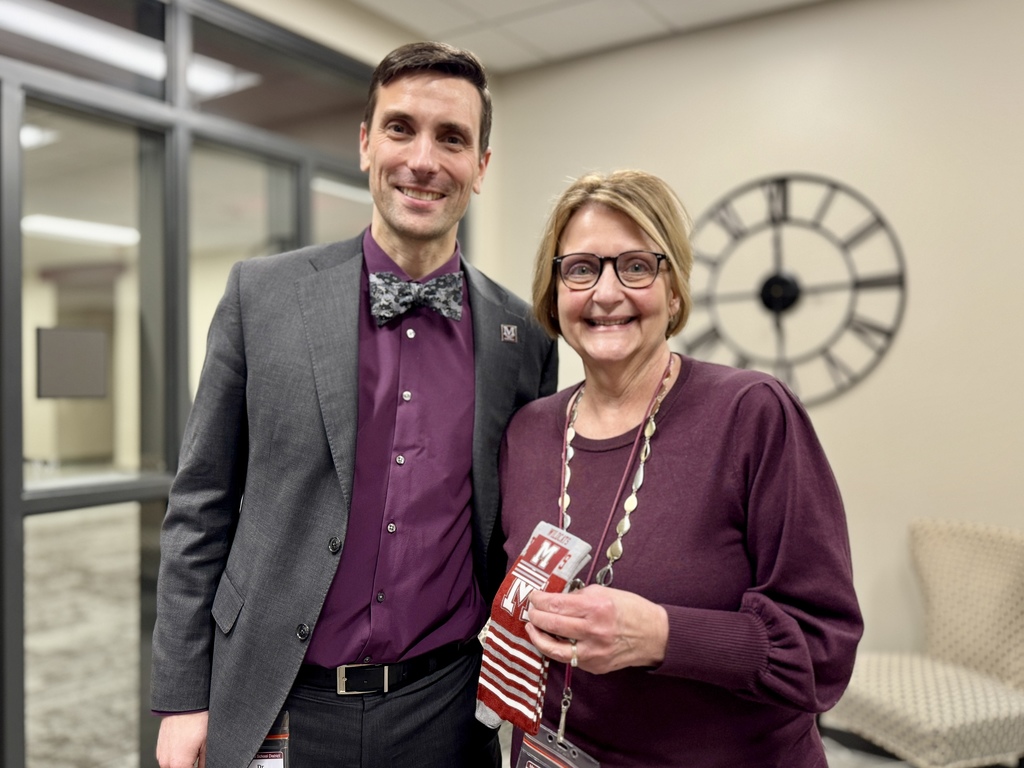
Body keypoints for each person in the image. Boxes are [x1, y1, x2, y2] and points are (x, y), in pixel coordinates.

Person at [151, 41, 558, 768]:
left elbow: (519, 528)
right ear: (366, 143)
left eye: (453, 138)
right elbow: (200, 504)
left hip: (448, 709)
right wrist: (184, 695)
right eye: (401, 128)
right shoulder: (262, 297)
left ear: (482, 167)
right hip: (280, 699)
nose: (424, 159)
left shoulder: (521, 335)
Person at [494, 170, 862, 767]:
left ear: (673, 290)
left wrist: (662, 636)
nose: (606, 293)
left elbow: (823, 650)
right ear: (554, 290)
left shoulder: (752, 414)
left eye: (635, 266)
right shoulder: (528, 432)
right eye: (581, 269)